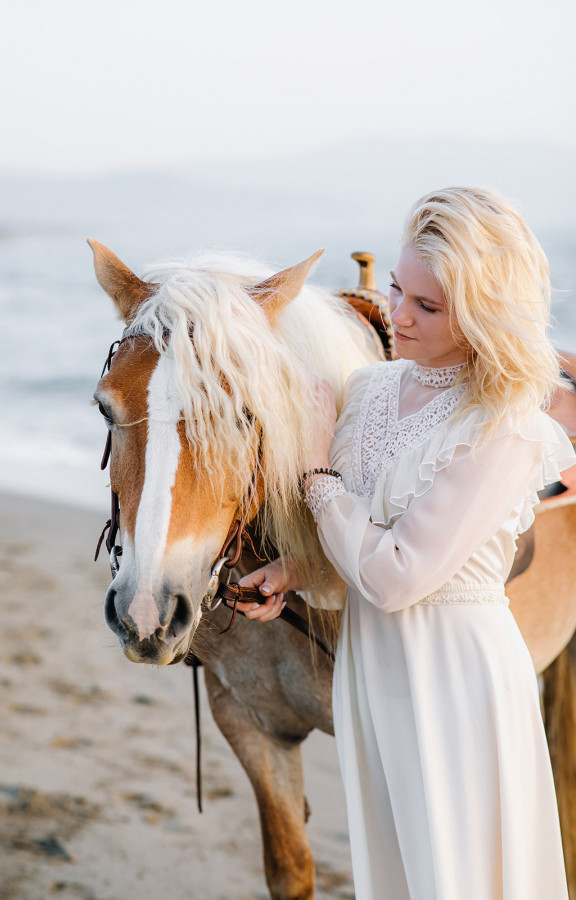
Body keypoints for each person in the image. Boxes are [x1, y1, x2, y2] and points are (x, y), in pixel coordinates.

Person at [233, 187, 576, 899]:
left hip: (456, 681)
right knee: (396, 873)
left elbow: (395, 577)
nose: (396, 316)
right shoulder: (371, 388)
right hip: (376, 674)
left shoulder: (504, 426)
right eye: (396, 289)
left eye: (427, 306)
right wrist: (295, 571)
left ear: (484, 315)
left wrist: (317, 472)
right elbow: (367, 537)